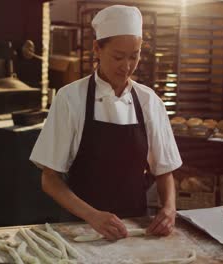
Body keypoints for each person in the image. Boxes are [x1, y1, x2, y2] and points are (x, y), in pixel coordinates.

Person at [30, 5, 182, 240]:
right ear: (97, 49)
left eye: (135, 55)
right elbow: (49, 179)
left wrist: (169, 209)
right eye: (118, 56)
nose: (127, 66)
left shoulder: (149, 101)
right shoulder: (71, 98)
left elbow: (164, 171)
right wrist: (92, 216)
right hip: (81, 228)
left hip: (134, 230)